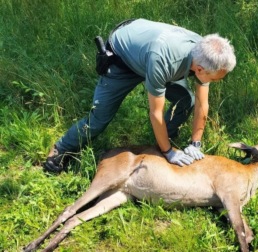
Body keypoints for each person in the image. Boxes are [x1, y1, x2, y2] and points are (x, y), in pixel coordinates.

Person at [44, 18, 236, 173]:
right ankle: (61, 148)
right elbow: (156, 113)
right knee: (98, 120)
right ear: (200, 69)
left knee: (187, 100)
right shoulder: (166, 61)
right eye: (216, 79)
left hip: (150, 54)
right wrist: (169, 153)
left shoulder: (202, 53)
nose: (217, 81)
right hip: (123, 57)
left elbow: (202, 104)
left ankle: (164, 137)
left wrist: (196, 143)